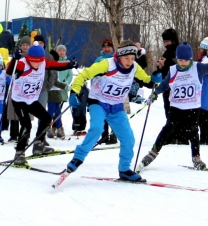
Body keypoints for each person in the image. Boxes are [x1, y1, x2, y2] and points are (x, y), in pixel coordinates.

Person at [63, 41, 153, 182]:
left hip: (117, 107)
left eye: (132, 58)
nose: (130, 62)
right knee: (97, 128)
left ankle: (124, 169)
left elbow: (148, 81)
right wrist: (74, 92)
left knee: (128, 138)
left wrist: (158, 76)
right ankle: (77, 159)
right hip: (98, 103)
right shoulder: (106, 64)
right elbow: (83, 75)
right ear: (119, 56)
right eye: (126, 58)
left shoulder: (134, 67)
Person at [140, 42, 208, 171]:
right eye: (180, 59)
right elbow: (165, 84)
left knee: (193, 132)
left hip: (193, 106)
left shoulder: (197, 68)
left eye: (186, 60)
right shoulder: (173, 69)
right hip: (176, 106)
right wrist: (155, 94)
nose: (183, 63)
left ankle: (196, 158)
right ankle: (153, 153)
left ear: (190, 59)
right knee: (168, 129)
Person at [7, 45, 76, 164]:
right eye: (35, 62)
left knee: (46, 118)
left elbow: (55, 65)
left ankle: (39, 144)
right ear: (29, 59)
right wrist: (14, 59)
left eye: (40, 61)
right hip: (19, 100)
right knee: (26, 124)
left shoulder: (43, 63)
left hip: (31, 99)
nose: (38, 64)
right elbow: (9, 71)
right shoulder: (23, 64)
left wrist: (69, 65)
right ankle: (19, 152)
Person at [47, 44, 72, 140]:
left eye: (63, 51)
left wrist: (65, 84)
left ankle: (59, 128)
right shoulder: (51, 65)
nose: (61, 53)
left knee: (58, 111)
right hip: (51, 91)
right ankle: (49, 127)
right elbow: (53, 81)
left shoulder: (65, 63)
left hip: (59, 92)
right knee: (50, 111)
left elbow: (69, 75)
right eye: (59, 51)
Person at [155, 28, 179, 117]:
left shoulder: (179, 51)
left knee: (176, 113)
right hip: (166, 84)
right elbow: (163, 69)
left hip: (177, 86)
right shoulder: (166, 52)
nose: (165, 44)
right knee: (168, 112)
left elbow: (180, 65)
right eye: (164, 42)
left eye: (167, 41)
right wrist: (159, 66)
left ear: (173, 40)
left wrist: (167, 62)